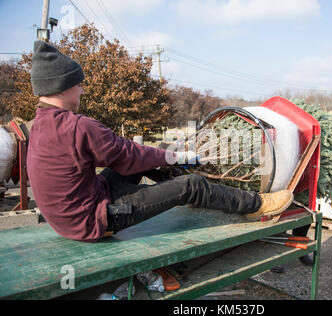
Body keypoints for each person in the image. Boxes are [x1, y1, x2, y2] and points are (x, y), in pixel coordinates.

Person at [26, 40, 293, 242]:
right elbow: (128, 154)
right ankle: (256, 205)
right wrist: (177, 157)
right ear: (63, 85)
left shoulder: (38, 124)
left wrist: (164, 156)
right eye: (78, 84)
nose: (82, 89)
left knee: (147, 162)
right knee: (191, 184)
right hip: (94, 219)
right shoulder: (76, 126)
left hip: (72, 216)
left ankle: (185, 192)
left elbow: (126, 157)